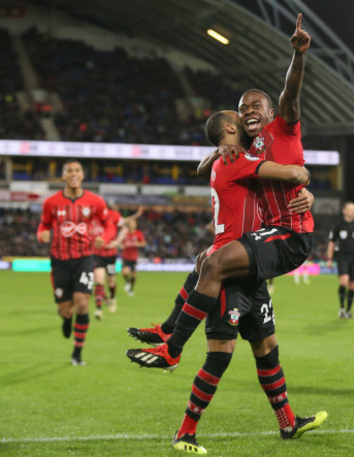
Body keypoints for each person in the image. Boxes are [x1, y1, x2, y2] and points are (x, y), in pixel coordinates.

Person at [127, 13, 314, 370]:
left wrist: (299, 56)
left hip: (289, 234)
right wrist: (219, 150)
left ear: (271, 111)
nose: (247, 112)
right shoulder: (245, 150)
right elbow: (204, 168)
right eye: (242, 108)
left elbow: (291, 90)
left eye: (254, 106)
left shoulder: (283, 126)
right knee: (205, 263)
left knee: (213, 266)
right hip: (267, 231)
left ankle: (173, 346)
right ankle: (168, 332)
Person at [136, 109, 326, 454]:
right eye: (236, 115)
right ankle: (184, 432)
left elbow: (259, 184)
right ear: (229, 128)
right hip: (229, 271)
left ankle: (288, 423)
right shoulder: (236, 158)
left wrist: (306, 198)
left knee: (266, 347)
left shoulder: (233, 157)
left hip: (250, 267)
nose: (243, 117)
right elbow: (292, 172)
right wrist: (304, 177)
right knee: (220, 354)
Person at [37, 159, 115, 365]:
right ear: (63, 176)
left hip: (84, 259)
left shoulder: (95, 201)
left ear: (82, 175)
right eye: (69, 170)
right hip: (60, 261)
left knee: (82, 304)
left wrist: (105, 239)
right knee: (66, 309)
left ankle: (77, 352)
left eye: (77, 170)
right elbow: (43, 225)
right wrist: (41, 234)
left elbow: (109, 226)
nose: (73, 173)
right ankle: (65, 318)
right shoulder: (51, 203)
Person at [91, 206, 142, 319]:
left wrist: (116, 242)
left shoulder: (113, 215)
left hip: (110, 255)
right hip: (96, 254)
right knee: (99, 280)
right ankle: (98, 310)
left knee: (111, 283)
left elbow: (124, 227)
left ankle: (112, 298)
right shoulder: (91, 217)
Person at [120, 218, 146, 297]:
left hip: (134, 257)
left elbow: (143, 243)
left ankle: (131, 290)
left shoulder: (138, 233)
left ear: (135, 225)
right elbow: (120, 243)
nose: (132, 225)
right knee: (124, 272)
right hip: (125, 256)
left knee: (134, 275)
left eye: (133, 223)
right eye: (131, 223)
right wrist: (121, 246)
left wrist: (138, 244)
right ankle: (127, 281)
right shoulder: (125, 233)